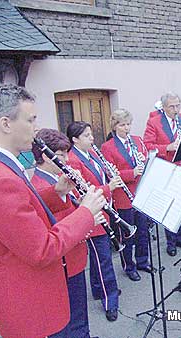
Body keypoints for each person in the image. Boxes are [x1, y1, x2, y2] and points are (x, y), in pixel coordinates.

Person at [0, 84, 105, 338]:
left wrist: (56, 191)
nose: (35, 127)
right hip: (32, 305)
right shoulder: (0, 177)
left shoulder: (4, 165)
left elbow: (20, 207)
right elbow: (41, 248)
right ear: (6, 124)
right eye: (30, 119)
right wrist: (85, 213)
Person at [31, 128, 98, 338]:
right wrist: (87, 218)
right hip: (63, 263)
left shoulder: (59, 178)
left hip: (75, 258)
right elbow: (57, 226)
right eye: (61, 155)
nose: (67, 159)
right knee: (70, 318)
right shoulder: (38, 184)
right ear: (45, 156)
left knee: (80, 312)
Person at [67, 121, 123, 322]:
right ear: (75, 139)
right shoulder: (73, 160)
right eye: (87, 136)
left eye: (91, 135)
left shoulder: (90, 154)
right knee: (103, 258)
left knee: (99, 257)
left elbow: (97, 178)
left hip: (103, 210)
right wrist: (109, 187)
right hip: (92, 214)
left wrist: (110, 174)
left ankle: (99, 289)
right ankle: (111, 301)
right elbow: (83, 193)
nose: (92, 139)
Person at [101, 109, 151, 282]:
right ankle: (129, 266)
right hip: (123, 196)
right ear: (115, 126)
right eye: (122, 125)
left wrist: (144, 162)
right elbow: (110, 173)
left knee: (143, 230)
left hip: (140, 192)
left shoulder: (137, 141)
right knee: (127, 234)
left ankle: (143, 261)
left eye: (128, 124)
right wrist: (132, 172)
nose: (127, 128)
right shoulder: (107, 147)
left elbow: (145, 158)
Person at [143, 92, 181, 256]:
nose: (176, 110)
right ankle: (171, 242)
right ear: (164, 107)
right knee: (170, 207)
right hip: (166, 168)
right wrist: (168, 147)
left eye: (178, 105)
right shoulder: (154, 122)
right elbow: (147, 145)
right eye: (172, 106)